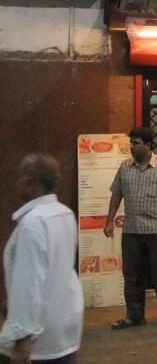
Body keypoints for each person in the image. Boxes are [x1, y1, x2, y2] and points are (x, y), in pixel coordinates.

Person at [0, 155, 84, 364]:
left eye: (19, 178)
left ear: (29, 184)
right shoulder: (64, 214)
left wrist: (22, 341)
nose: (15, 183)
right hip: (65, 323)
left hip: (38, 334)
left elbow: (29, 285)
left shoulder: (32, 224)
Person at [105, 127, 157, 329]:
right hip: (132, 230)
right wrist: (109, 221)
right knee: (132, 275)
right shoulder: (125, 167)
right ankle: (135, 315)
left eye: (136, 143)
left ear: (148, 145)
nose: (132, 147)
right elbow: (116, 194)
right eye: (131, 143)